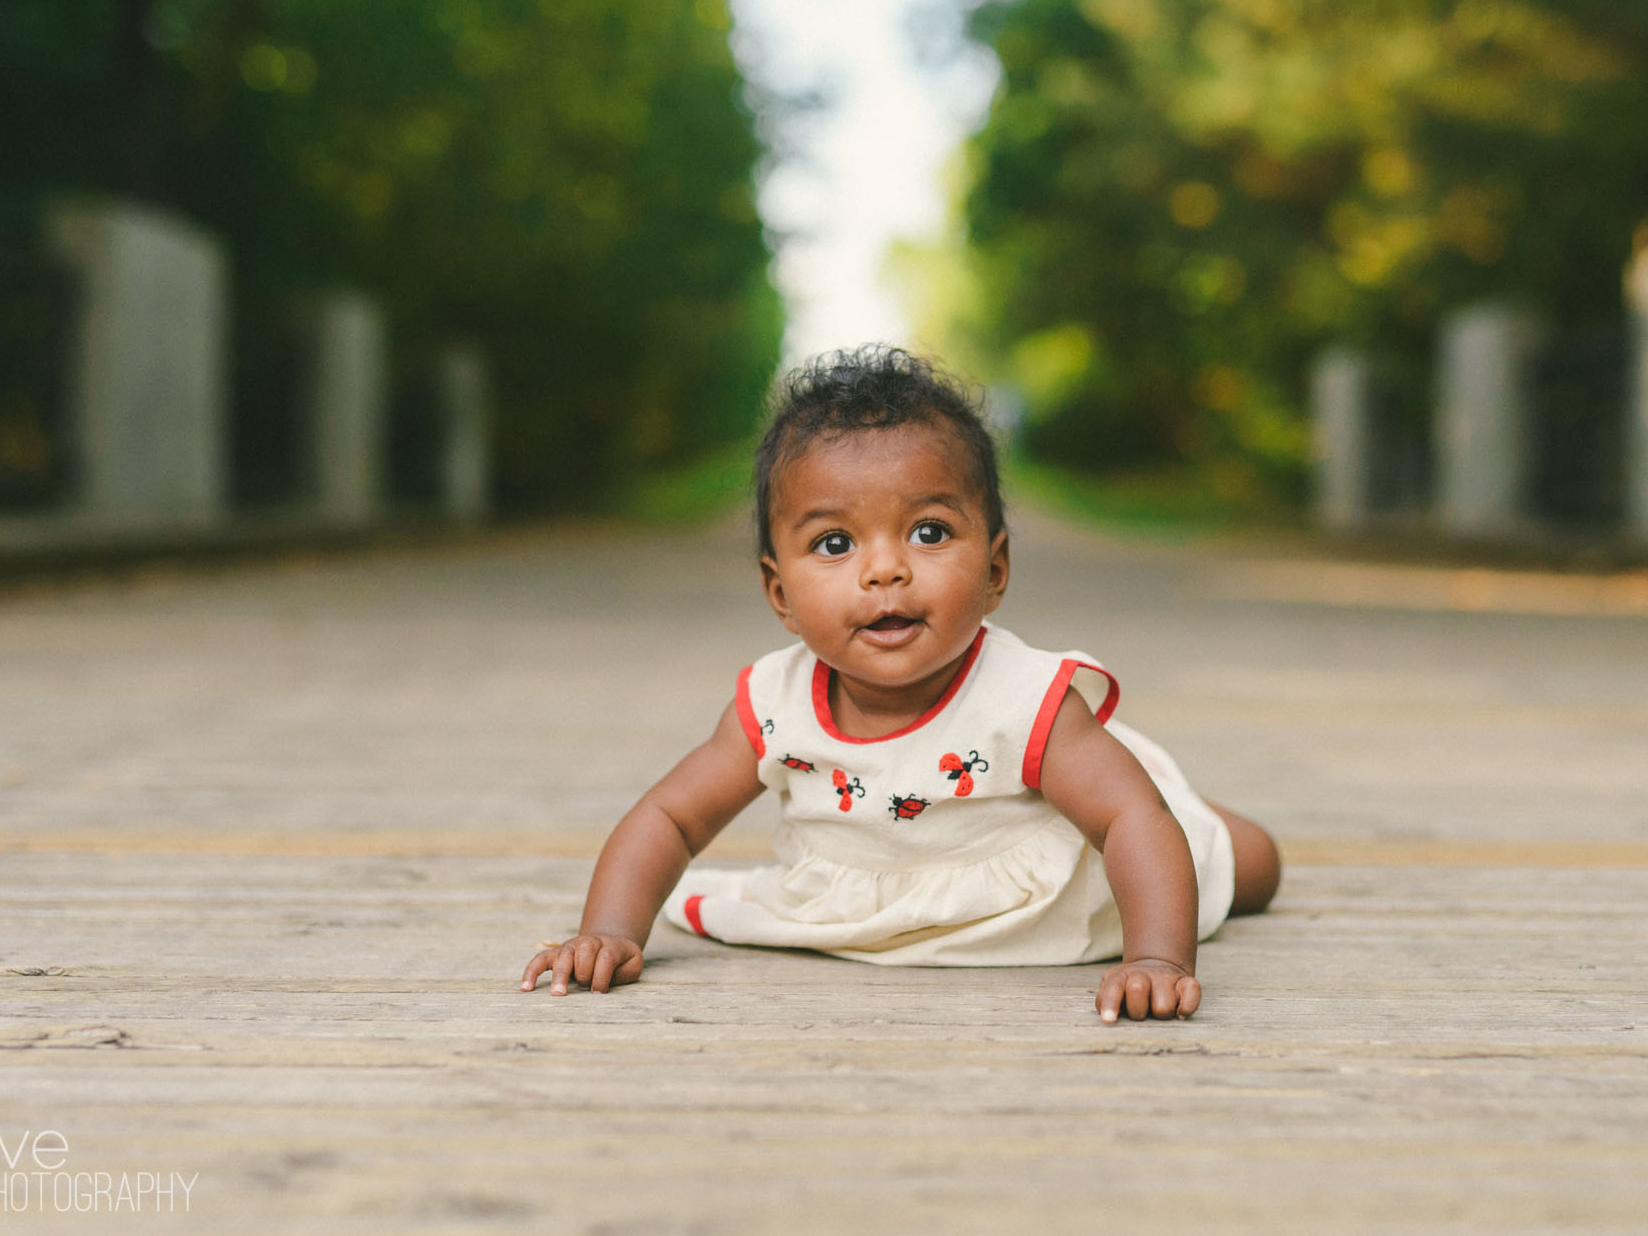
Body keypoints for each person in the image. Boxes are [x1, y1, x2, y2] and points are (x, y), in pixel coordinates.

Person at [520, 346, 1280, 1021]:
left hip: (1059, 885)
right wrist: (612, 929)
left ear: (995, 570)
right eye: (835, 542)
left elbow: (1126, 820)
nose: (885, 569)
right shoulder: (773, 705)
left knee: (1245, 861)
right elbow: (670, 817)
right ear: (778, 592)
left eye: (929, 531)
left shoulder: (1025, 699)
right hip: (869, 884)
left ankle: (1203, 819)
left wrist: (1157, 957)